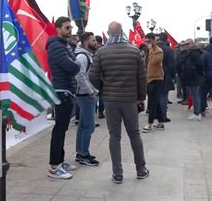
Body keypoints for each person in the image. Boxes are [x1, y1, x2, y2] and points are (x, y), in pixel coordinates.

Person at [89, 21, 149, 184]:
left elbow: (92, 76)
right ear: (122, 31)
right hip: (130, 100)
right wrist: (141, 97)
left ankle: (117, 173)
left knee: (114, 136)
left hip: (110, 100)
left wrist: (103, 89)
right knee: (134, 134)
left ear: (108, 34)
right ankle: (141, 169)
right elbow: (142, 78)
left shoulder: (101, 52)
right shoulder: (134, 51)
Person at [46, 16, 81, 179]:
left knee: (63, 128)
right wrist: (75, 63)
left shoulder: (63, 46)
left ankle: (59, 160)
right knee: (59, 129)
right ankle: (54, 167)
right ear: (58, 29)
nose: (70, 30)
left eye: (71, 28)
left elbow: (73, 63)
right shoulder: (56, 47)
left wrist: (74, 62)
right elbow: (73, 67)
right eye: (67, 28)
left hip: (66, 91)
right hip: (62, 91)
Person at [74, 32, 100, 166]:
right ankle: (84, 154)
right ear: (86, 42)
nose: (95, 42)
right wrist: (91, 91)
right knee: (89, 125)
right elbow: (80, 76)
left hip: (84, 94)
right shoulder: (83, 57)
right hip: (85, 95)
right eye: (93, 40)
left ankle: (81, 152)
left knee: (83, 125)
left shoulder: (85, 55)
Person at [176, 39, 204, 120]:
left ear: (192, 44)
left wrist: (196, 73)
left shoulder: (195, 53)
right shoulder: (190, 53)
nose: (186, 45)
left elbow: (200, 65)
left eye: (187, 44)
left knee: (195, 96)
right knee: (194, 95)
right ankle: (197, 112)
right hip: (190, 78)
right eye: (185, 44)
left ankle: (197, 113)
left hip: (194, 78)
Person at [143, 32, 165, 132]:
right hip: (149, 78)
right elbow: (146, 64)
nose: (147, 43)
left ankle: (150, 123)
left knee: (152, 102)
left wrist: (151, 50)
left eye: (148, 41)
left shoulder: (158, 51)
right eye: (145, 41)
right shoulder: (148, 51)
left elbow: (154, 62)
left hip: (156, 79)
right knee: (155, 101)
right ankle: (160, 122)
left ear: (152, 40)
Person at [157, 33, 175, 122]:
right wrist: (171, 76)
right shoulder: (169, 50)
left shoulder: (152, 49)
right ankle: (163, 116)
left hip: (154, 75)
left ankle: (155, 115)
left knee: (156, 96)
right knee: (163, 96)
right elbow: (172, 65)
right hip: (165, 74)